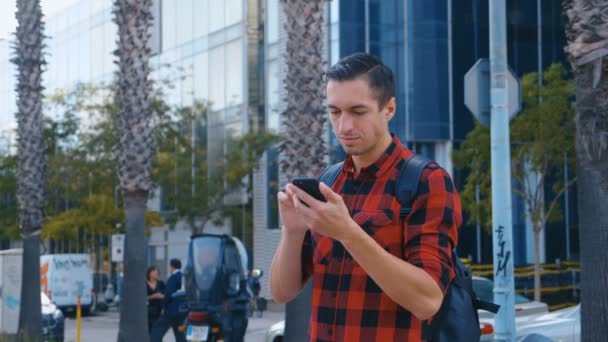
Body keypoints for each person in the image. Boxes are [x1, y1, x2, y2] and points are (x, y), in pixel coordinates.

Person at [269, 52, 462, 341]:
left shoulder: (426, 181)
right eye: (335, 112)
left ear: (389, 108)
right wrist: (293, 232)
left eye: (358, 112)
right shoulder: (329, 183)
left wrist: (348, 233)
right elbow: (282, 292)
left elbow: (427, 301)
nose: (344, 127)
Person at [150, 259, 187, 342]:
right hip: (182, 310)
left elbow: (168, 293)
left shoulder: (173, 277)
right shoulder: (184, 276)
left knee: (157, 330)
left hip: (171, 310)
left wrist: (163, 306)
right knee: (179, 332)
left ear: (171, 266)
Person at [146, 266, 165, 332]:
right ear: (150, 273)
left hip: (158, 310)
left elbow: (166, 296)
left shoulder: (161, 283)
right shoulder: (144, 284)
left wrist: (163, 308)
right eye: (155, 273)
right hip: (147, 311)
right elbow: (140, 298)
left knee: (157, 330)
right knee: (149, 330)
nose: (157, 275)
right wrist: (153, 296)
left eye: (158, 274)